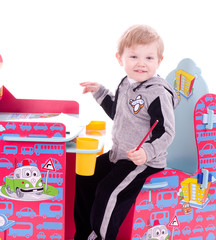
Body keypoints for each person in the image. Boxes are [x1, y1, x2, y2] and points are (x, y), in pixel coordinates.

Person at [74, 24, 179, 240]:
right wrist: (100, 92)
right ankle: (84, 233)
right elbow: (119, 113)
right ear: (120, 58)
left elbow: (166, 133)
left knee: (108, 191)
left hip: (142, 161)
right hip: (119, 154)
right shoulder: (126, 83)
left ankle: (101, 237)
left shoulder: (158, 93)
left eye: (149, 58)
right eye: (133, 56)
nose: (141, 63)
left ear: (159, 61)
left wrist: (147, 153)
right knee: (85, 176)